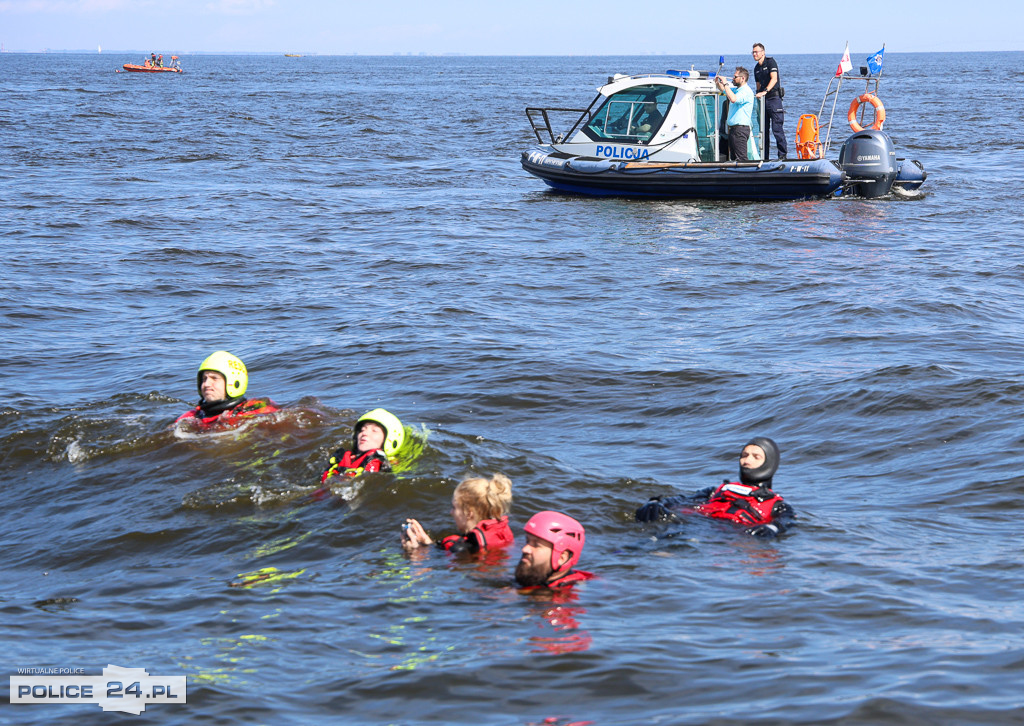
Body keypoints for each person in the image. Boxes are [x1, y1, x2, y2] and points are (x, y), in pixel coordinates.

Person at [635, 436, 794, 537]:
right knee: (654, 538)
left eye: (755, 457)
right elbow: (683, 499)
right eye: (744, 455)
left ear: (769, 463)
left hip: (729, 535)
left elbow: (787, 522)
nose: (746, 461)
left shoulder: (776, 505)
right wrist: (656, 502)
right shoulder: (717, 490)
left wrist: (772, 528)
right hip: (695, 522)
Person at [401, 473, 515, 554]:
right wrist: (427, 542)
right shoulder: (502, 531)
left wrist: (417, 551)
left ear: (469, 513)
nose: (451, 512)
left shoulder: (462, 548)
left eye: (454, 508)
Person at [175, 351, 279, 430]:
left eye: (214, 378)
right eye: (204, 379)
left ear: (234, 382)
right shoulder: (190, 417)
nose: (206, 384)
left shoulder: (257, 408)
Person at [321, 408, 404, 482]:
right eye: (362, 430)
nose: (364, 433)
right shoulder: (343, 457)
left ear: (390, 438)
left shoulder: (384, 464)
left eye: (374, 430)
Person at [515, 511, 593, 589]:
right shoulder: (537, 576)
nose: (525, 549)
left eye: (536, 545)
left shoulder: (567, 592)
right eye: (527, 541)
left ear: (562, 558)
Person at [753, 43, 787, 159]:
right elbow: (758, 86)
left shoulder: (770, 62)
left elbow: (774, 78)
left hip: (773, 99)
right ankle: (764, 157)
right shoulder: (756, 68)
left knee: (777, 129)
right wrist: (757, 96)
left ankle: (782, 156)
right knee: (763, 130)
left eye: (756, 52)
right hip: (763, 101)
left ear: (763, 52)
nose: (754, 54)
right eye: (753, 52)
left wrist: (765, 91)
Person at [715, 66, 754, 161]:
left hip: (740, 129)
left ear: (743, 78)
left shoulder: (746, 91)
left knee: (741, 158)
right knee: (734, 158)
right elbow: (724, 90)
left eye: (735, 77)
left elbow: (733, 99)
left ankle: (746, 174)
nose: (733, 78)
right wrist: (717, 82)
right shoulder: (737, 90)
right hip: (733, 130)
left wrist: (725, 83)